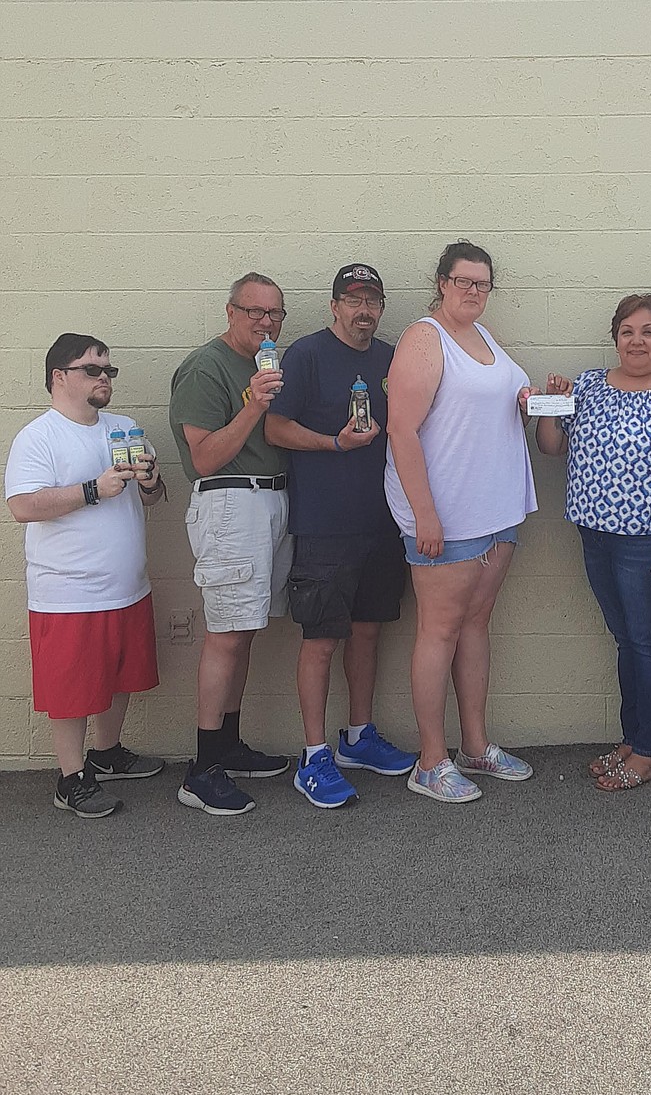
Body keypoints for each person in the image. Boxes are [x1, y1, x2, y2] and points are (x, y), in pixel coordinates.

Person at [536, 295, 651, 791]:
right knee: (626, 642)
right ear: (615, 337)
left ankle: (648, 751)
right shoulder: (592, 384)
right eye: (627, 331)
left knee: (648, 642)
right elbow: (552, 448)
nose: (636, 341)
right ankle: (632, 738)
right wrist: (551, 408)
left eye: (648, 332)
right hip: (595, 535)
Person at [385, 241, 537, 803]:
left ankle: (475, 745)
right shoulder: (426, 337)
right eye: (463, 281)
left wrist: (526, 402)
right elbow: (401, 430)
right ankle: (430, 761)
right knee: (440, 631)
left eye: (483, 283)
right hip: (446, 519)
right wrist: (425, 512)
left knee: (475, 626)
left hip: (495, 512)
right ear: (442, 282)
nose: (473, 291)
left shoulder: (483, 335)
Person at [265, 264, 416, 809]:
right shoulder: (306, 355)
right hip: (325, 522)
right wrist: (335, 444)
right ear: (334, 305)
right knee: (322, 639)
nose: (364, 311)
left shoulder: (390, 358)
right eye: (354, 300)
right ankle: (314, 755)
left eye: (373, 301)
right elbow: (275, 428)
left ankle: (358, 736)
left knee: (369, 632)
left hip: (382, 520)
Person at [5, 334, 165, 817]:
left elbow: (155, 497)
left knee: (120, 676)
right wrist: (92, 490)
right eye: (92, 370)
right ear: (60, 377)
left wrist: (153, 481)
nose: (103, 379)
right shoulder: (39, 436)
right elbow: (23, 506)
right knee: (72, 690)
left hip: (128, 586)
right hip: (69, 592)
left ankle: (107, 753)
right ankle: (70, 778)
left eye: (109, 371)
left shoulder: (125, 426)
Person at [169, 272, 293, 816]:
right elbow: (203, 459)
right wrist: (253, 407)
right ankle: (202, 769)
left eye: (274, 314)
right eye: (255, 312)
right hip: (230, 502)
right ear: (230, 312)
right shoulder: (206, 367)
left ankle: (230, 746)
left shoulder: (260, 366)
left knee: (246, 629)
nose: (265, 322)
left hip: (269, 501)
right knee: (225, 633)